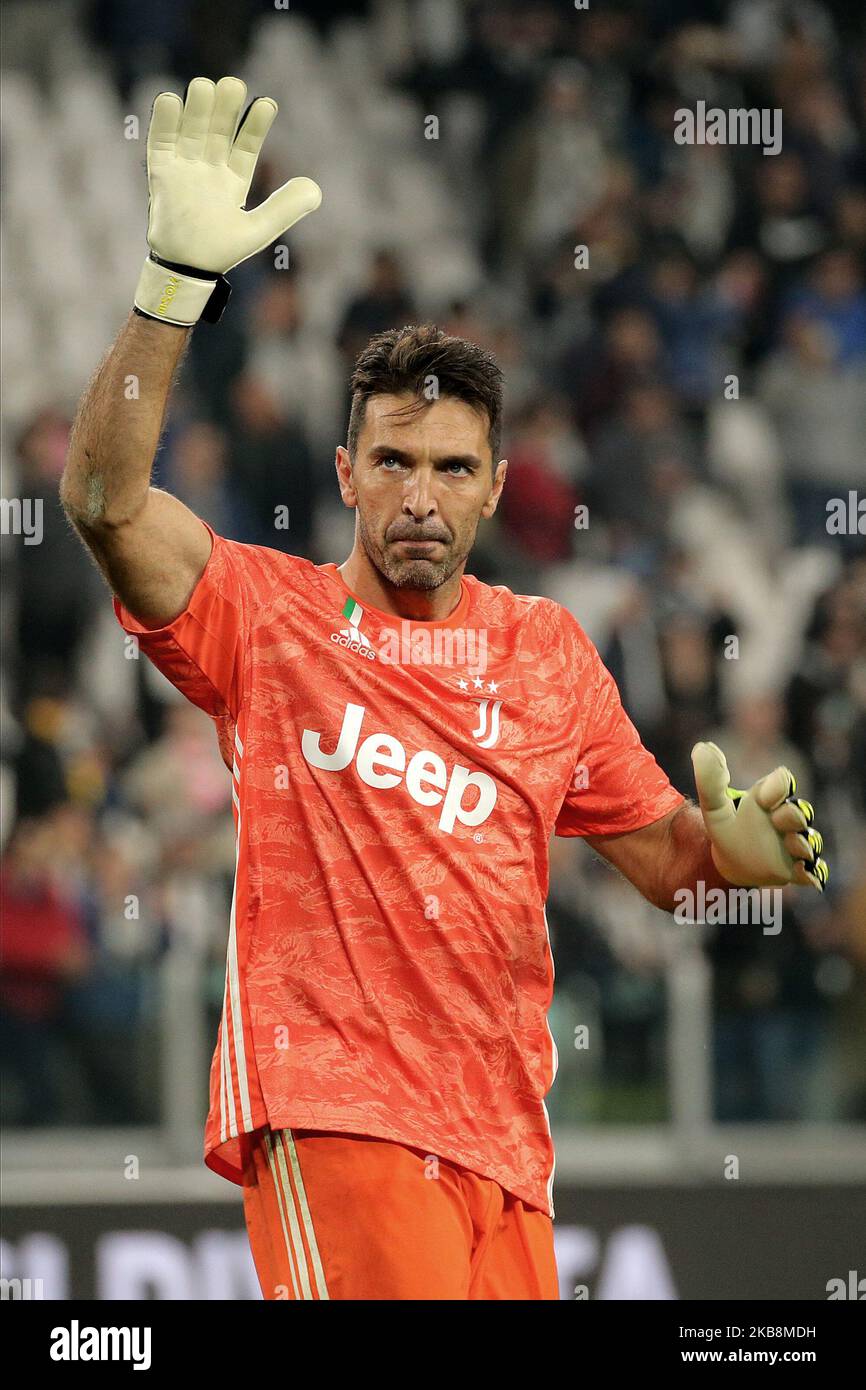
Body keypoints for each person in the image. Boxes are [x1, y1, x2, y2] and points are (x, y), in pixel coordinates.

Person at [60, 76, 830, 1302]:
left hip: (506, 1153)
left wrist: (727, 855)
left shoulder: (548, 652)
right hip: (337, 1115)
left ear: (493, 483)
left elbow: (668, 866)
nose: (421, 493)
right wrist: (170, 289)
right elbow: (102, 501)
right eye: (394, 461)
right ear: (346, 472)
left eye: (451, 467)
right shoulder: (267, 617)